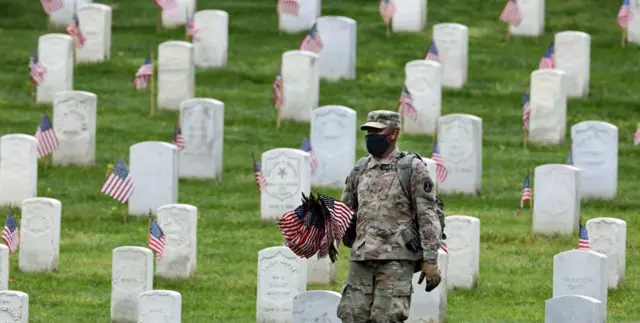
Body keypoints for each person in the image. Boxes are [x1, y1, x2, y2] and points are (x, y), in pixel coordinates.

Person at [336, 110, 443, 323]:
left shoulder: (411, 168)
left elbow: (427, 214)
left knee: (386, 318)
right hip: (362, 256)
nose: (370, 136)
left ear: (393, 133)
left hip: (396, 259)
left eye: (377, 131)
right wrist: (320, 236)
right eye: (368, 131)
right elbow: (343, 211)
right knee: (351, 315)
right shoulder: (361, 168)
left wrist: (430, 260)